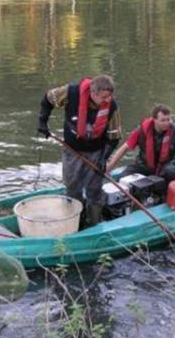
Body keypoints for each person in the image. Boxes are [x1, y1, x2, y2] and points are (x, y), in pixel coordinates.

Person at [37, 75, 122, 226]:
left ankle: (95, 223)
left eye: (110, 96)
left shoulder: (112, 107)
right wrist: (43, 122)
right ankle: (76, 222)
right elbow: (48, 99)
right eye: (104, 97)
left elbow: (114, 137)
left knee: (94, 190)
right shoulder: (70, 92)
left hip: (96, 151)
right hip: (72, 150)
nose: (107, 100)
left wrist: (104, 159)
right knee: (72, 187)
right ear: (93, 93)